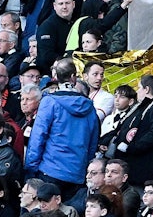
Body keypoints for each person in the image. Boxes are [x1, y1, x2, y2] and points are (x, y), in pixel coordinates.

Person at [24, 58, 99, 199]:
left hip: (50, 170)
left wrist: (31, 167)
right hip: (76, 173)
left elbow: (38, 137)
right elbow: (93, 143)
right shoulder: (90, 107)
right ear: (73, 77)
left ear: (56, 77)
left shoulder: (49, 102)